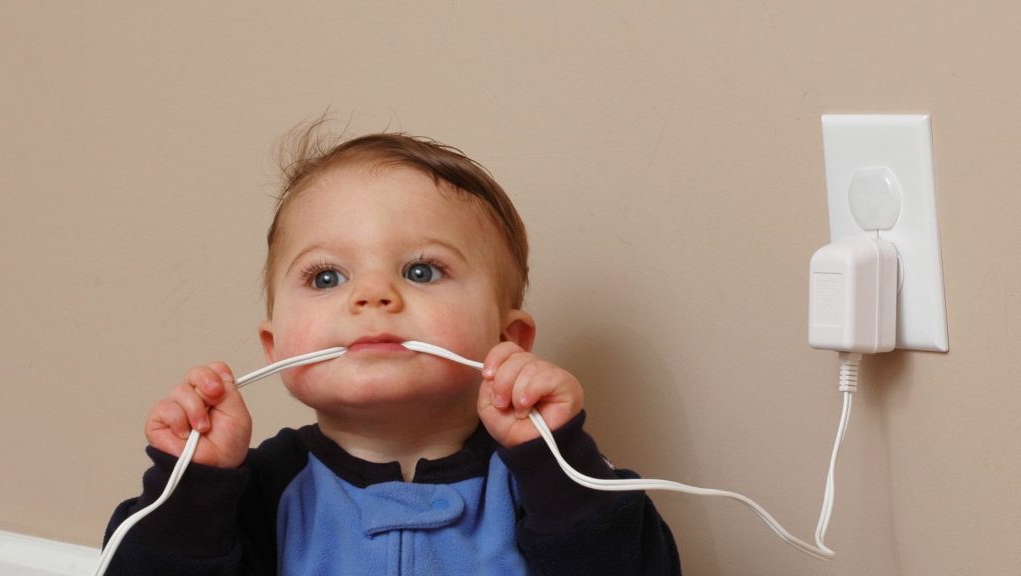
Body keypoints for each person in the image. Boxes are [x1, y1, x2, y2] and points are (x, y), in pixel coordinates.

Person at [103, 126, 681, 575]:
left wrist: (557, 457)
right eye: (327, 277)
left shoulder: (543, 480)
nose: (372, 295)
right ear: (275, 347)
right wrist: (192, 488)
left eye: (421, 270)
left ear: (507, 342)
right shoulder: (257, 491)